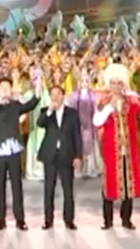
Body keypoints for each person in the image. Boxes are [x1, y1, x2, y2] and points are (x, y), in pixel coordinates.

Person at [93, 64, 140, 231]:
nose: (116, 86)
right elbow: (96, 121)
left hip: (129, 149)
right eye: (113, 83)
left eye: (119, 83)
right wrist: (109, 107)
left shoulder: (131, 100)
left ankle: (126, 219)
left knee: (128, 184)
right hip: (111, 149)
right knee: (109, 183)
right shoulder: (104, 101)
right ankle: (108, 220)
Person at [0, 70, 40, 229]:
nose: (5, 90)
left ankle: (20, 219)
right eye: (2, 88)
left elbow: (31, 104)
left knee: (17, 185)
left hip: (14, 151)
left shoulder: (15, 105)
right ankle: (0, 220)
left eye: (7, 88)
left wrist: (37, 88)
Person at [35, 80, 80, 230]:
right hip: (50, 155)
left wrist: (78, 156)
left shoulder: (72, 113)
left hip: (67, 155)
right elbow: (40, 123)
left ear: (63, 96)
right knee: (49, 189)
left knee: (68, 190)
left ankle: (69, 220)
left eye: (58, 94)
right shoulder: (46, 112)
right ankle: (48, 220)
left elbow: (77, 135)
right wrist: (49, 110)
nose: (55, 97)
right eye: (52, 95)